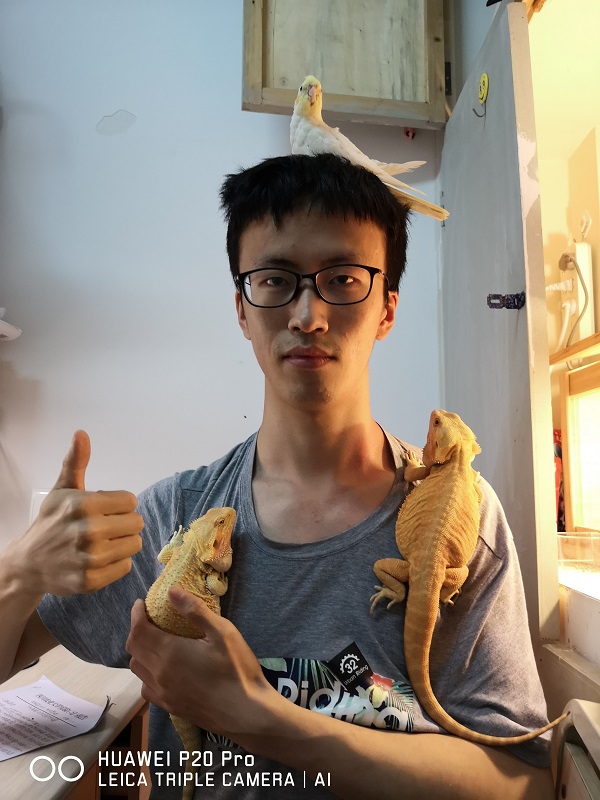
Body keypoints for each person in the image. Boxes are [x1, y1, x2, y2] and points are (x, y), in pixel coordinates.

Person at [0, 154, 554, 799]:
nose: (308, 316)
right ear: (242, 308)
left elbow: (525, 782)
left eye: (343, 279)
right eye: (275, 280)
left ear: (387, 310)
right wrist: (19, 571)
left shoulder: (462, 516)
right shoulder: (177, 519)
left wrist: (260, 719)